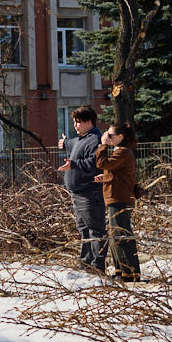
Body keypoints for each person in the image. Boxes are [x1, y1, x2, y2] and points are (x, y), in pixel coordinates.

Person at [58, 105, 107, 270]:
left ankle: (97, 265)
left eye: (78, 122)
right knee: (84, 229)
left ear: (88, 122)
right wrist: (64, 143)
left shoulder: (95, 140)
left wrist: (73, 164)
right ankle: (86, 263)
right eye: (74, 122)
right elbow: (73, 144)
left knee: (95, 229)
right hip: (78, 193)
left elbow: (93, 163)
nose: (75, 126)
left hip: (89, 193)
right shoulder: (82, 139)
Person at [95, 122, 139, 280]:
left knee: (121, 236)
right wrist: (105, 177)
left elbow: (102, 163)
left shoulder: (123, 152)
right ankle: (121, 270)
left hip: (120, 199)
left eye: (110, 135)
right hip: (115, 197)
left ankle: (131, 272)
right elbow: (116, 173)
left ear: (121, 137)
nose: (107, 137)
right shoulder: (120, 152)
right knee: (115, 237)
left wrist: (102, 145)